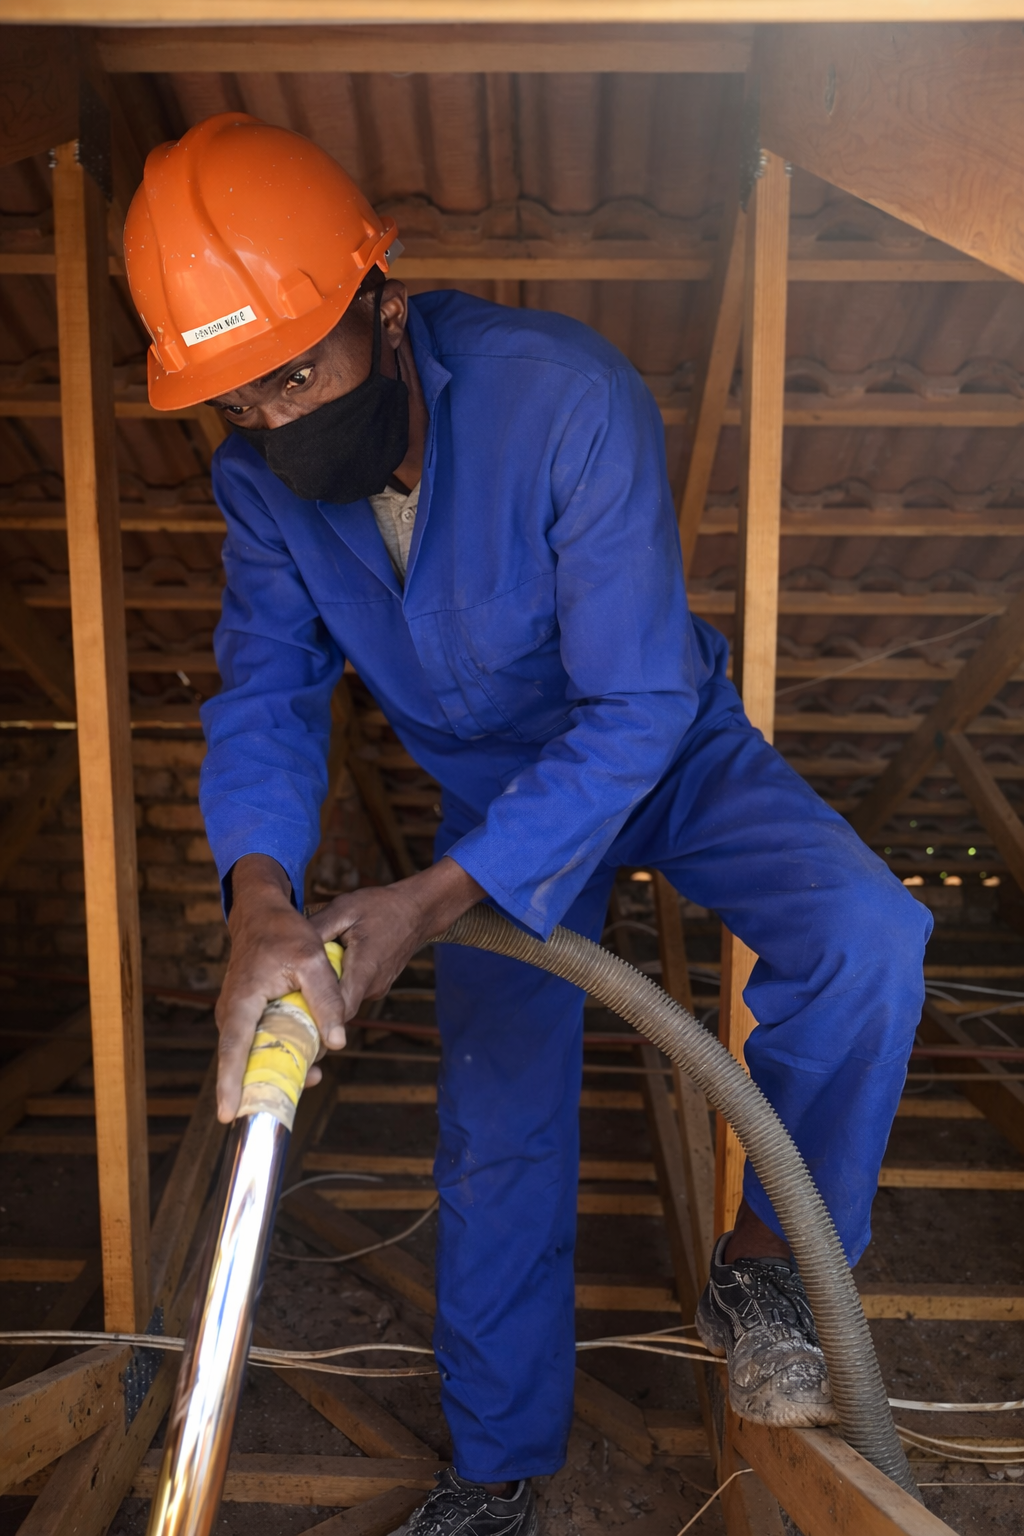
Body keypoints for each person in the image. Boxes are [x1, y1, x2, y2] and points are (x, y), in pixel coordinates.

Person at [126, 113, 930, 1536]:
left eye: (298, 372)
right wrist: (262, 894)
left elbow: (629, 708)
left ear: (380, 298)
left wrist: (430, 899)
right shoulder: (259, 483)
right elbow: (264, 695)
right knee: (497, 1124)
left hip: (665, 745)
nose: (275, 421)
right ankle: (499, 1472)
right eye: (239, 398)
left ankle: (769, 1266)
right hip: (494, 789)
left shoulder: (560, 395)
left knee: (867, 934)